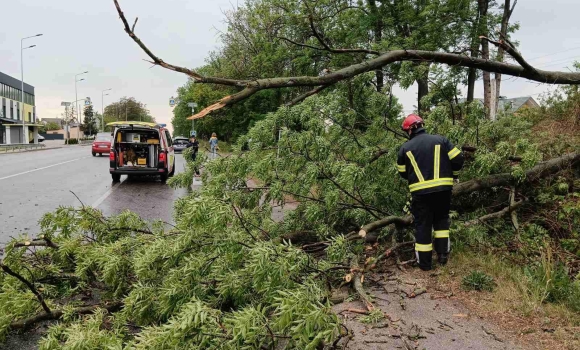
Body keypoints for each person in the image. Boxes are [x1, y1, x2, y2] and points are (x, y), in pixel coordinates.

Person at [396, 114, 464, 271]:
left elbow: (403, 173)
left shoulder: (404, 149)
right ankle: (443, 257)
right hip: (443, 191)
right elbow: (458, 159)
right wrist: (454, 175)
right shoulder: (441, 140)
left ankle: (425, 264)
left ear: (409, 131)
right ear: (422, 125)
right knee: (441, 221)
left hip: (420, 193)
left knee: (423, 225)